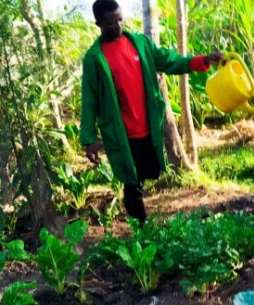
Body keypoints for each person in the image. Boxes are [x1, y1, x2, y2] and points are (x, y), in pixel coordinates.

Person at [80, 0, 222, 226]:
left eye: (120, 19)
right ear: (99, 23)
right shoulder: (94, 58)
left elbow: (169, 60)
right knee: (131, 182)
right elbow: (89, 99)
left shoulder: (140, 44)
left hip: (148, 126)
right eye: (111, 22)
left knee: (148, 174)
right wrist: (88, 140)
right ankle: (142, 229)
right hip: (122, 134)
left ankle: (145, 222)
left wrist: (202, 61)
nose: (118, 25)